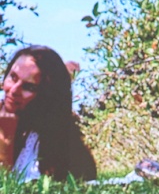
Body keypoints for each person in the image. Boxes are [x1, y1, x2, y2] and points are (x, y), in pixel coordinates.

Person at [0, 45, 97, 182]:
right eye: (13, 77)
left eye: (29, 87)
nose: (14, 90)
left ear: (46, 96)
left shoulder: (57, 143)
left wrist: (6, 142)